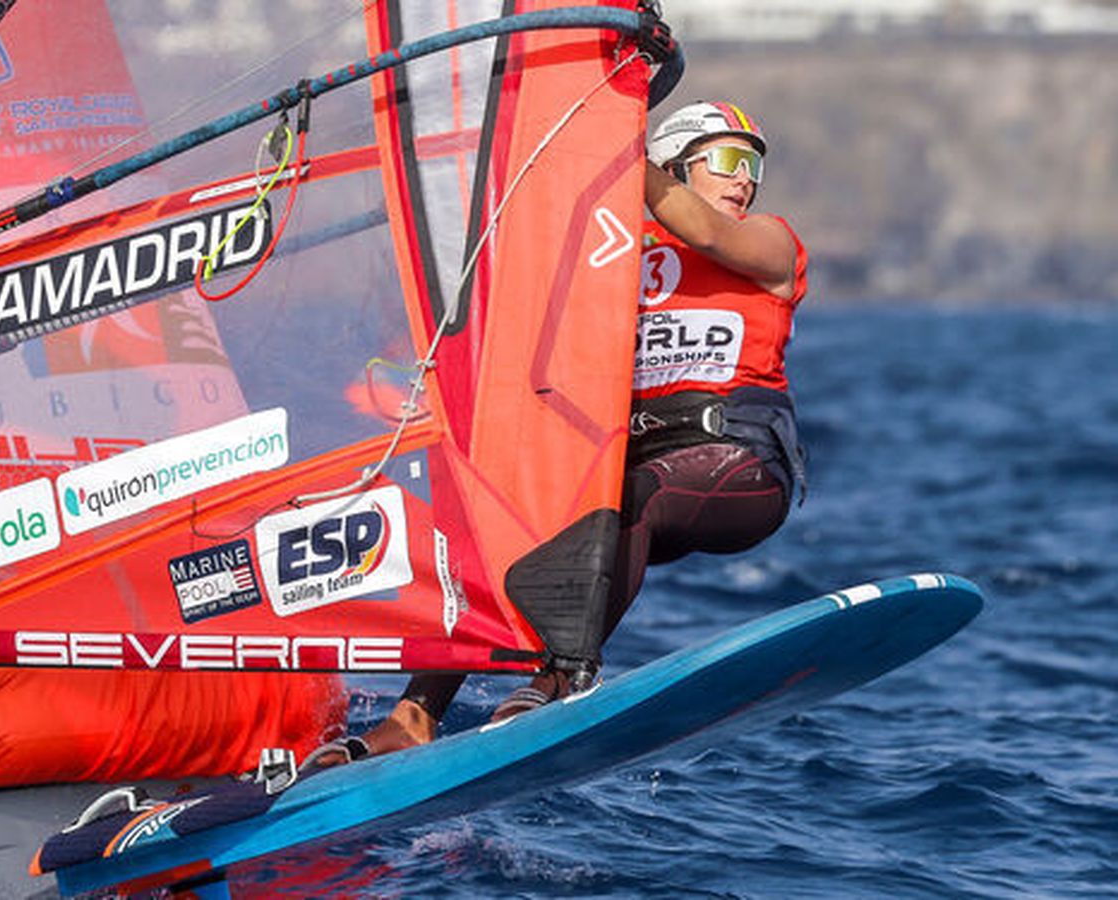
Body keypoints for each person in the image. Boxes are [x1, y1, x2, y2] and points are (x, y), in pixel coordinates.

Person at [304, 100, 809, 768]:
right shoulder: (616, 259)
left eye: (753, 165)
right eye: (726, 161)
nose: (744, 179)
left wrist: (617, 149)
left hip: (738, 469)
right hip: (632, 463)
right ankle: (413, 715)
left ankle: (563, 674)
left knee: (635, 493)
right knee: (502, 526)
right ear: (678, 166)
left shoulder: (771, 244)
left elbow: (706, 232)